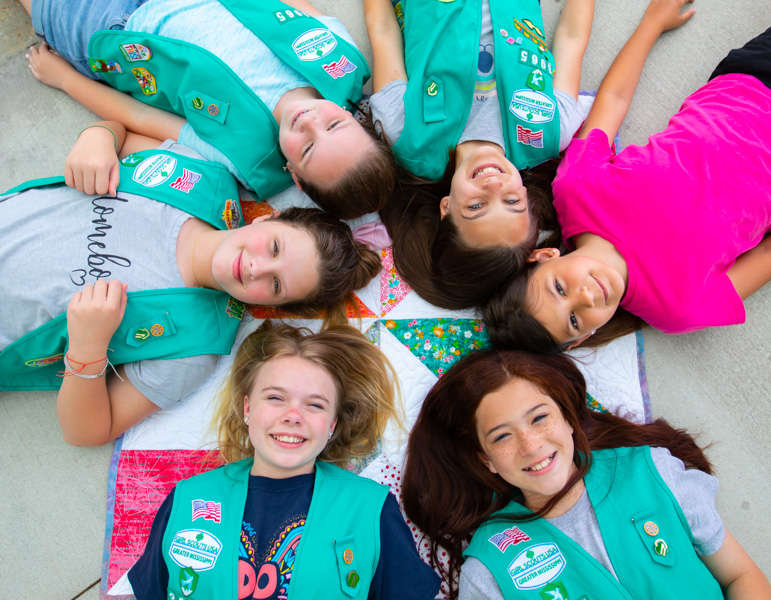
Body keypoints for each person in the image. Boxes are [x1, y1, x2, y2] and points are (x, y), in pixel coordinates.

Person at [0, 123, 381, 447]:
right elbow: (123, 132)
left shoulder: (192, 349)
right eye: (275, 247)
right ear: (268, 219)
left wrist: (87, 347)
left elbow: (88, 431)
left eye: (277, 284)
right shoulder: (201, 179)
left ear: (275, 307)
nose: (255, 267)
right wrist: (98, 136)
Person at [483, 3, 771, 354]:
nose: (586, 297)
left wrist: (651, 24)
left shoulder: (576, 190)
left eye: (559, 288)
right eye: (574, 320)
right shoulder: (678, 311)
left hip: (757, 78)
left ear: (543, 257)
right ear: (585, 338)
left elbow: (614, 101)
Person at [402, 349, 771, 598]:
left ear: (566, 418)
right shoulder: (488, 573)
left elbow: (740, 576)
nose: (530, 445)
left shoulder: (655, 474)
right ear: (486, 460)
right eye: (502, 436)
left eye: (540, 417)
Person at [127, 320, 442, 599]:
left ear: (332, 425)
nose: (293, 416)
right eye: (275, 398)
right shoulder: (187, 499)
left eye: (315, 405)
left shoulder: (371, 509)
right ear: (248, 408)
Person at [18, 0, 396, 219]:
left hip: (123, 31)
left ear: (295, 176)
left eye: (309, 149)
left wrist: (65, 80)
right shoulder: (342, 65)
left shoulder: (243, 158)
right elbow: (296, 8)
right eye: (335, 126)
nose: (310, 123)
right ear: (355, 117)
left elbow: (141, 118)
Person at [359, 0, 593, 307]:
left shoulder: (406, 136)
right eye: (511, 201)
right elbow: (572, 38)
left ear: (446, 208)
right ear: (528, 199)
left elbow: (383, 31)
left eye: (476, 206)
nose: (494, 186)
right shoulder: (547, 133)